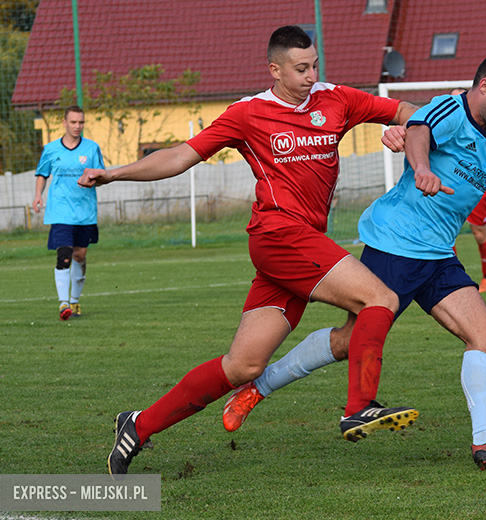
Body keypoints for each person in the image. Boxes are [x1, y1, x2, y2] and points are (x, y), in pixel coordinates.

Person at [78, 25, 420, 477]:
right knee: (381, 299)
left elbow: (407, 110)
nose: (310, 75)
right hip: (279, 236)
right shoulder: (249, 113)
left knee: (243, 366)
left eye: (315, 65)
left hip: (299, 248)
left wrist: (406, 131)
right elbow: (182, 156)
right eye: (300, 68)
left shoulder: (336, 98)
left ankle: (138, 425)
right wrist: (117, 173)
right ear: (274, 70)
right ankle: (360, 406)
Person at [224, 50, 486, 470]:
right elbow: (416, 128)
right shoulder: (451, 108)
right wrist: (420, 168)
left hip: (438, 255)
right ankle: (257, 388)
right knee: (347, 341)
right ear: (484, 85)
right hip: (395, 243)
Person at [32, 105, 104, 321]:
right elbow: (42, 174)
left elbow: (101, 177)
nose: (77, 126)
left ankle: (74, 299)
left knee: (79, 255)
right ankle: (64, 304)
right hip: (60, 212)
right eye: (73, 122)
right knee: (64, 255)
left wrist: (92, 180)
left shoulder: (92, 148)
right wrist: (38, 195)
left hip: (85, 213)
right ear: (64, 123)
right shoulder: (51, 149)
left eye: (81, 122)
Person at [449, 88, 486, 294]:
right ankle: (451, 279)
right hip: (450, 190)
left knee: (479, 233)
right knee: (446, 235)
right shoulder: (445, 127)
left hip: (476, 190)